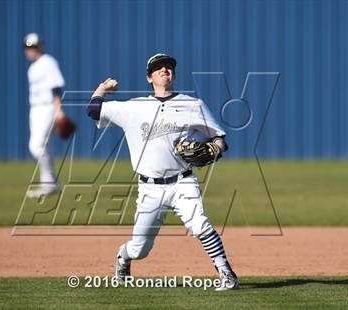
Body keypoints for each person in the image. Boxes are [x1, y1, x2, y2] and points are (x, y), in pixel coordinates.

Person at [86, 53, 239, 290]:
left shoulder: (192, 104)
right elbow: (93, 110)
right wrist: (103, 87)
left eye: (168, 67)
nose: (164, 70)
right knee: (140, 249)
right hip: (149, 187)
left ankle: (227, 274)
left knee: (200, 225)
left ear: (174, 75)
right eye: (158, 68)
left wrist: (214, 150)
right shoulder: (134, 108)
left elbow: (219, 138)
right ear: (149, 77)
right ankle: (123, 257)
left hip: (182, 182)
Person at [23, 33, 65, 198]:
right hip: (35, 109)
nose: (30, 50)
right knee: (41, 146)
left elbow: (56, 88)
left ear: (40, 46)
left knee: (36, 146)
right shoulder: (33, 67)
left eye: (33, 46)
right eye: (28, 47)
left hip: (47, 107)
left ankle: (49, 184)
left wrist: (58, 110)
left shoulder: (48, 62)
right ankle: (49, 183)